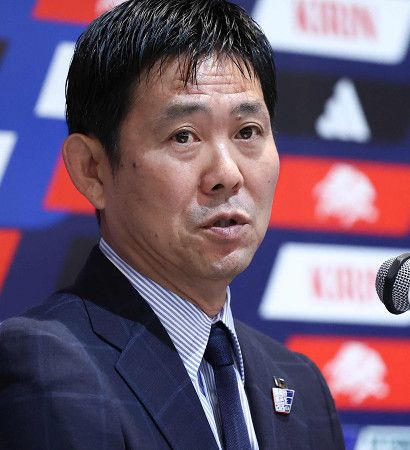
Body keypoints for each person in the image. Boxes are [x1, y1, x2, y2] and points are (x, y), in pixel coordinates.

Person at [0, 1, 345, 449]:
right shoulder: (43, 366)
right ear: (92, 170)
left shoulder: (303, 386)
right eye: (184, 136)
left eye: (247, 132)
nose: (227, 174)